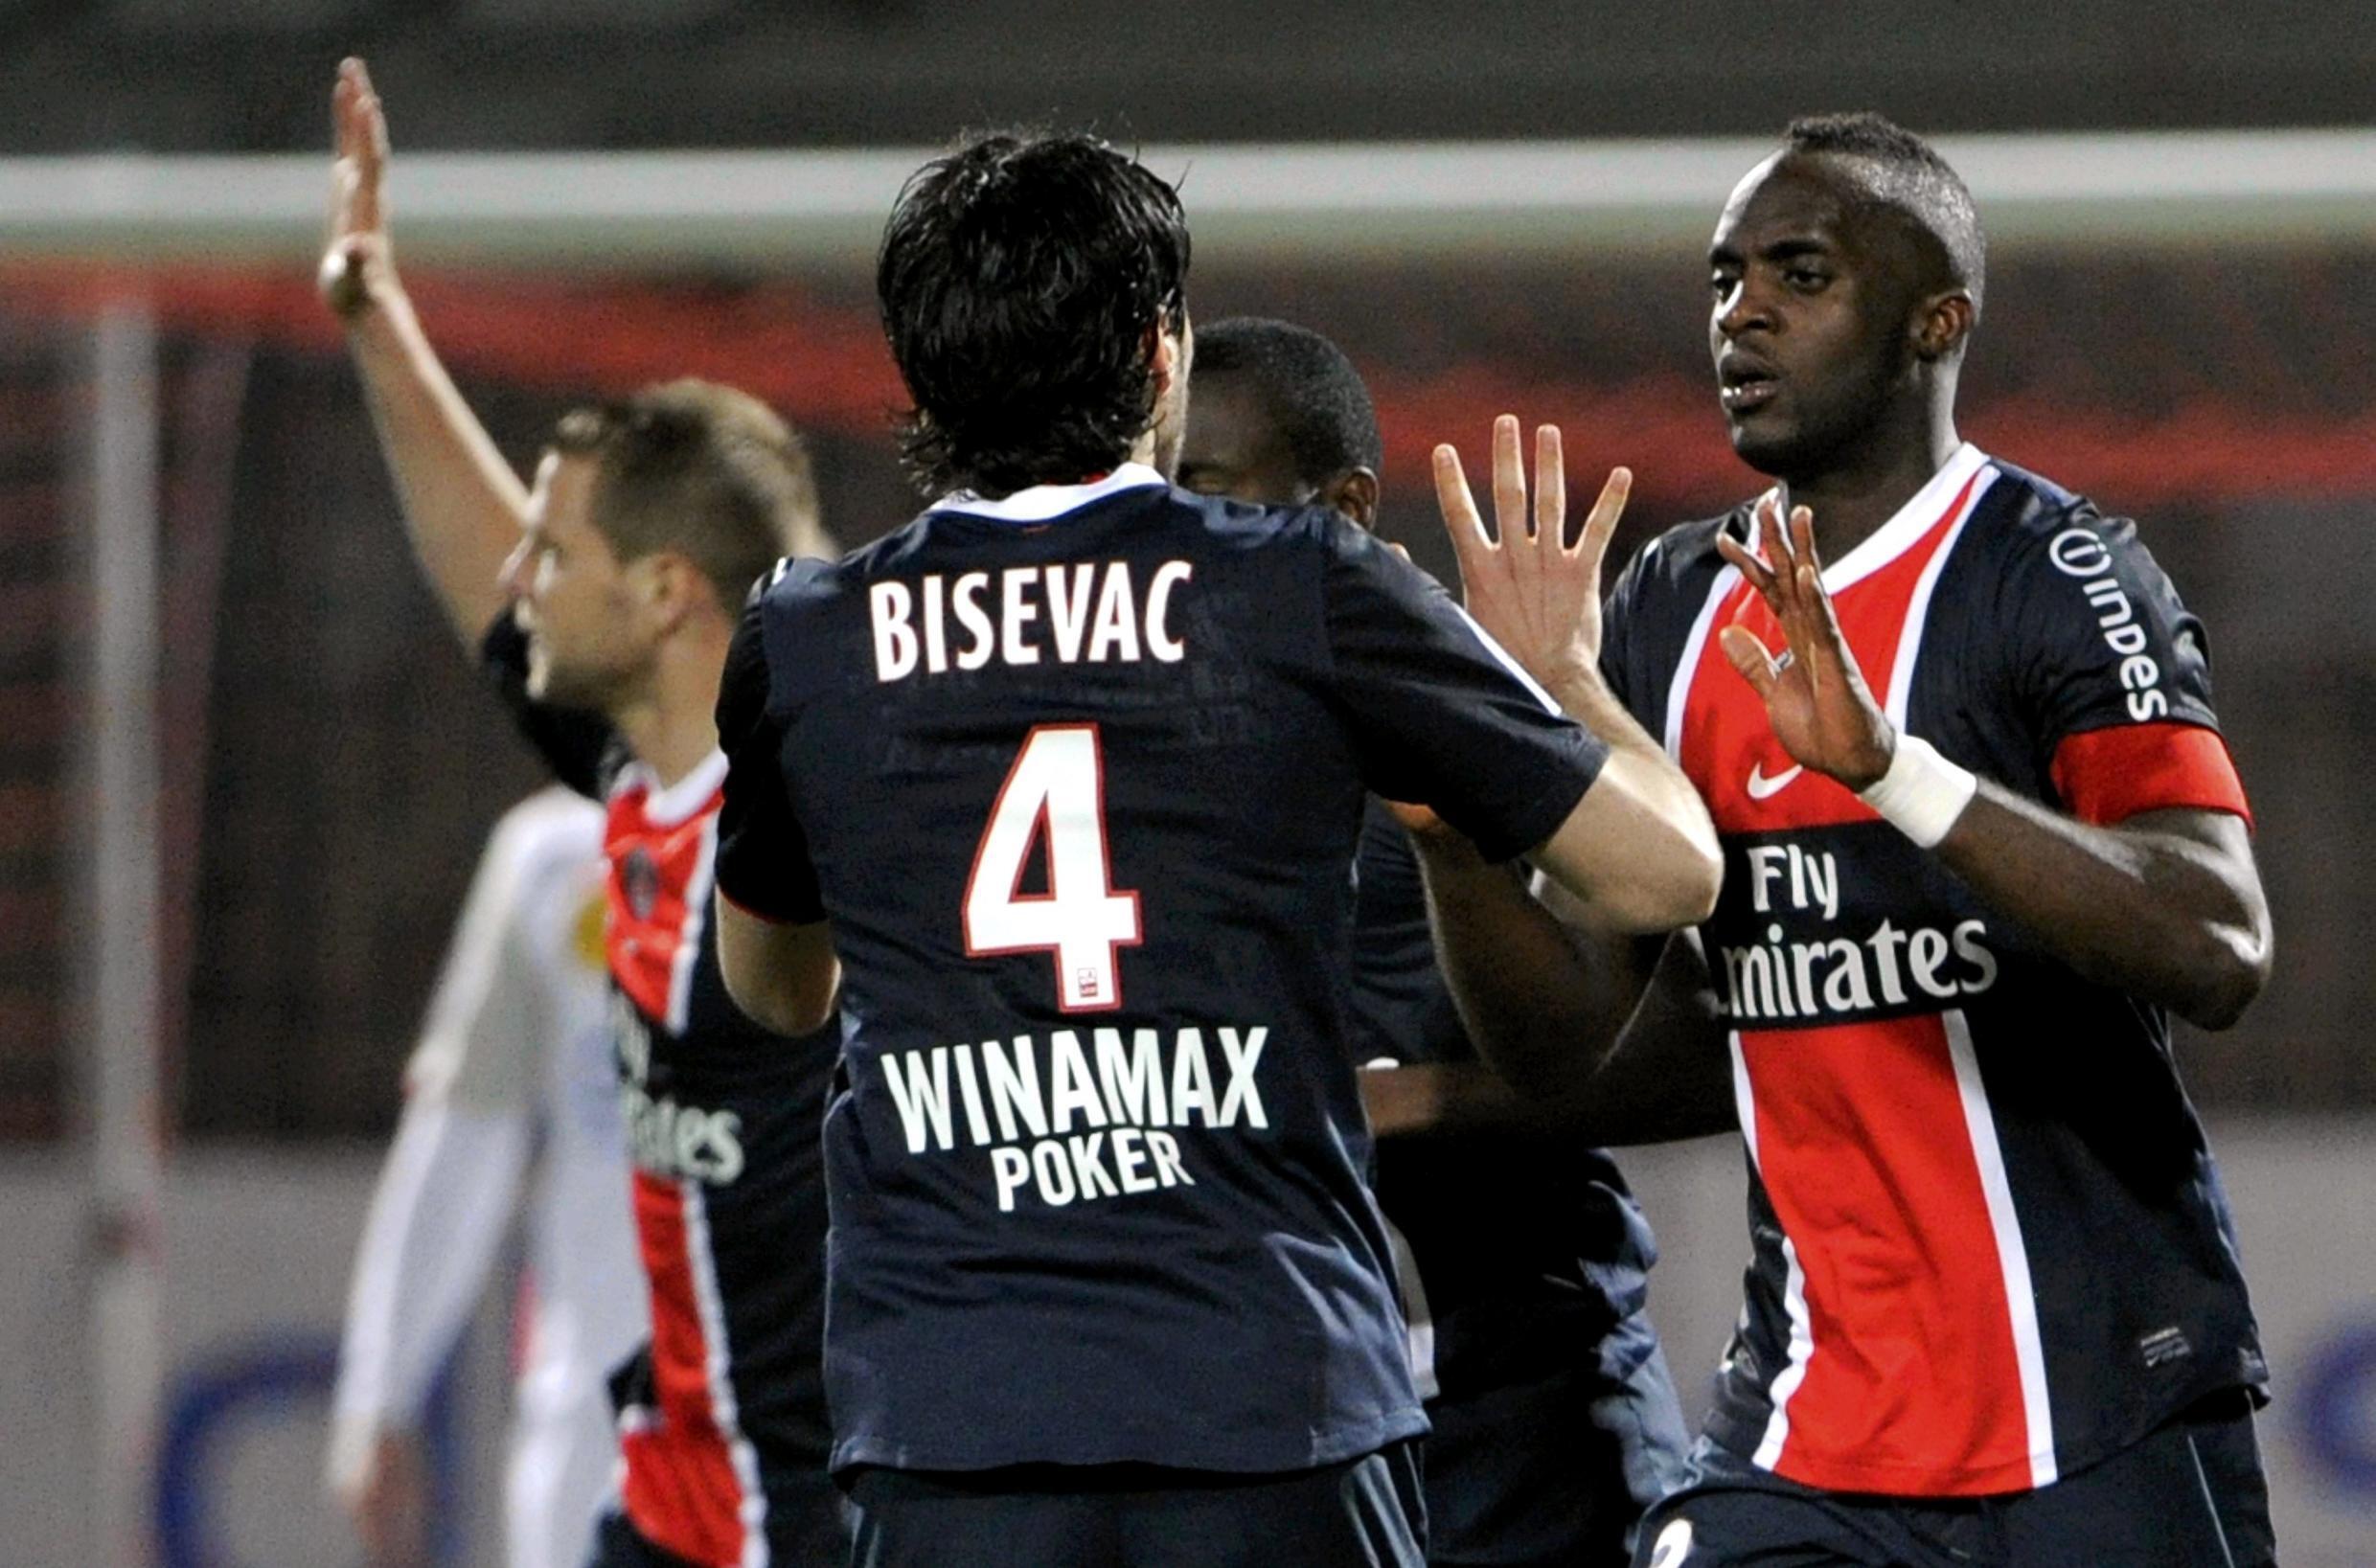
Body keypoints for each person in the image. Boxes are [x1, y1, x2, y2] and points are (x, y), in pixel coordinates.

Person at [709, 131, 1721, 1568]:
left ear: (919, 375)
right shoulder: (1295, 584)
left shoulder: (804, 634)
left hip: (950, 1423)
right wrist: (1565, 680)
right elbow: (1669, 873)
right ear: (1157, 348)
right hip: (1267, 1403)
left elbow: (773, 991)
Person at [1418, 113, 2276, 1568]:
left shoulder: (2059, 572)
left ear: (1936, 322)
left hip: (2102, 1414)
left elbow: (2219, 939)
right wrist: (1455, 815)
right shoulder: (1668, 612)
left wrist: (1894, 771)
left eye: (1799, 273)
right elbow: (1576, 1039)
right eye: (1722, 279)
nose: (1741, 311)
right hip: (1806, 1437)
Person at [321, 58, 848, 1568]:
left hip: (808, 1514)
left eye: (560, 554)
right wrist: (381, 320)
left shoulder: (818, 832)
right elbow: (486, 565)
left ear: (668, 595)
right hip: (666, 1493)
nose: (521, 580)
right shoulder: (633, 782)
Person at [1176, 316, 1692, 1567]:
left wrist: (1409, 1106)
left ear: (1344, 508)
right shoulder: (1136, 759)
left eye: (1207, 493)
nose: (1169, 537)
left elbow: (1703, 1057)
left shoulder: (1480, 719)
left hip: (1519, 1410)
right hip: (1273, 1433)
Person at [330, 785, 647, 1568]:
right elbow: (464, 1137)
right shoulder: (553, 857)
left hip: (800, 1413)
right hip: (595, 1421)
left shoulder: (813, 804)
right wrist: (384, 1389)